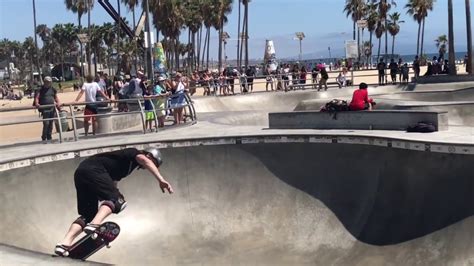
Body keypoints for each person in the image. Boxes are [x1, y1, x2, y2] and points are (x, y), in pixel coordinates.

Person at [54, 147, 174, 256]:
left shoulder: (125, 166)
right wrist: (161, 180)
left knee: (88, 214)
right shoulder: (134, 153)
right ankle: (94, 225)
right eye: (154, 163)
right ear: (149, 156)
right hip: (94, 171)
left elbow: (112, 184)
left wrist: (109, 197)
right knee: (118, 202)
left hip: (82, 172)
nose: (147, 167)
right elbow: (144, 160)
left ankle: (64, 243)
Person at [34, 76, 61, 144]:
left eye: (49, 82)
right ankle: (44, 137)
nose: (48, 83)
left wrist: (58, 103)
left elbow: (56, 97)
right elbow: (37, 97)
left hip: (52, 108)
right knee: (46, 123)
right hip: (45, 109)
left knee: (51, 124)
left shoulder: (53, 89)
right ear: (44, 82)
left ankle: (49, 136)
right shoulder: (40, 89)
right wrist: (37, 103)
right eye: (46, 82)